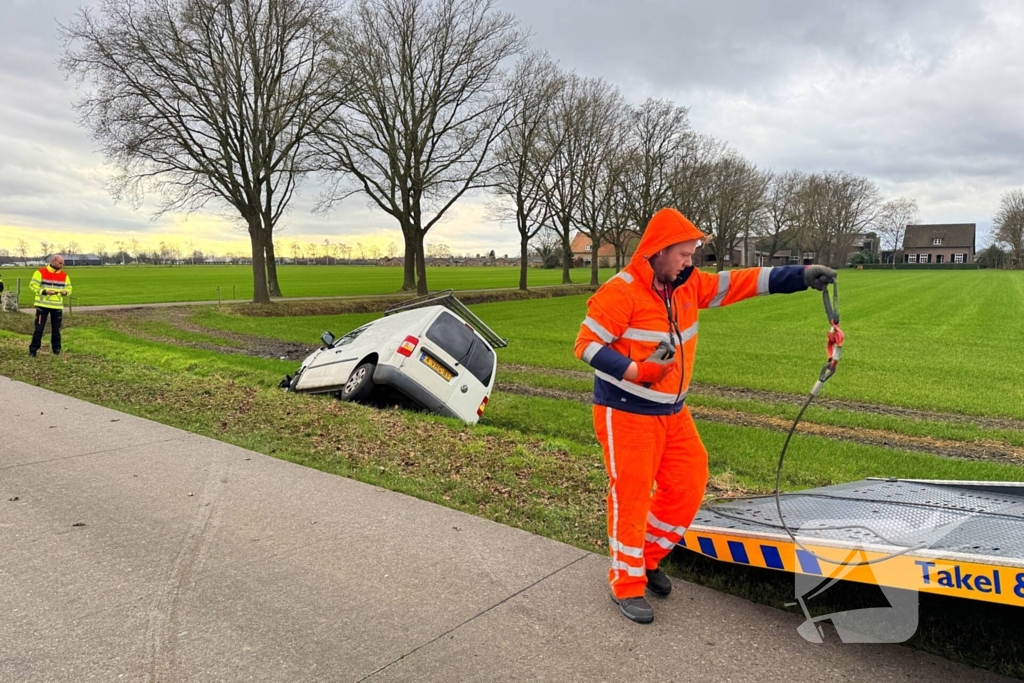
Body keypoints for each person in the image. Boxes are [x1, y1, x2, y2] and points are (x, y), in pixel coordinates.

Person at [573, 208, 836, 624]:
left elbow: (740, 283)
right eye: (684, 254)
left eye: (694, 254)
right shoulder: (620, 292)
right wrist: (638, 372)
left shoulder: (687, 284)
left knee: (689, 483)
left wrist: (800, 276)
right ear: (658, 253)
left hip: (673, 411)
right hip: (625, 412)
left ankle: (647, 558)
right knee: (632, 496)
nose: (691, 262)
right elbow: (585, 346)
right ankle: (625, 582)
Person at [29, 255, 73, 357]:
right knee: (39, 329)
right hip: (42, 305)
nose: (62, 265)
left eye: (63, 263)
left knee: (56, 330)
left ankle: (56, 350)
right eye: (60, 263)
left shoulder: (64, 275)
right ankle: (33, 350)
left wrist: (65, 292)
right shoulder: (40, 272)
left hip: (57, 306)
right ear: (53, 261)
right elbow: (33, 285)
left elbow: (69, 289)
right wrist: (44, 291)